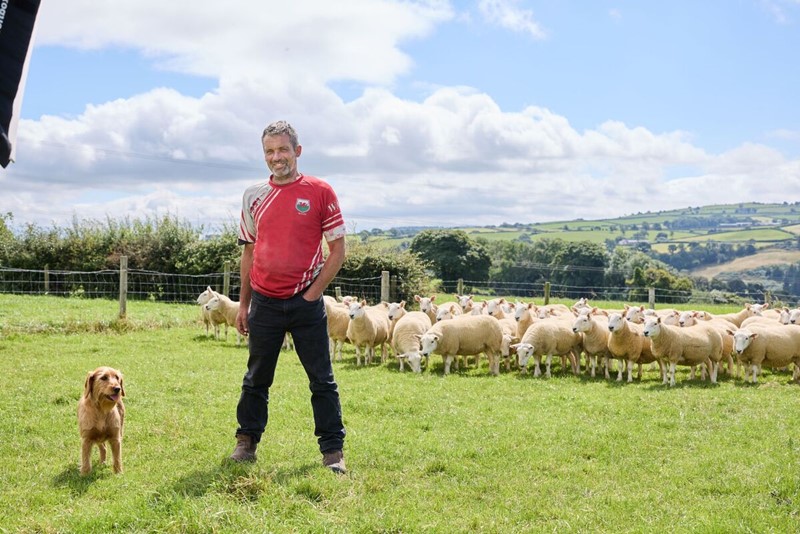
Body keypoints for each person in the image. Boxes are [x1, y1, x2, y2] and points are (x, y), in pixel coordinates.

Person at [230, 120, 347, 474]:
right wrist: (244, 304)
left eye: (282, 149)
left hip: (305, 304)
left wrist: (312, 296)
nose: (276, 157)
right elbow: (248, 254)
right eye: (269, 151)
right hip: (264, 301)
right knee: (256, 378)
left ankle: (333, 453)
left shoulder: (320, 191)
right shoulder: (253, 196)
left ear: (297, 151)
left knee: (321, 379)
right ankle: (246, 443)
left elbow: (338, 251)